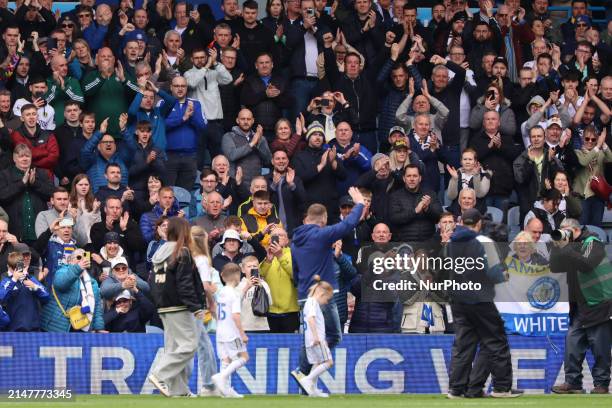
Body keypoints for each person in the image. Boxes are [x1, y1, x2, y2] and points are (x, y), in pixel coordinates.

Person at [291, 187, 365, 383]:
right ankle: (303, 370)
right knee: (334, 336)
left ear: (306, 219)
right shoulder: (321, 235)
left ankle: (305, 380)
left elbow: (296, 272)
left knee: (309, 338)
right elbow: (348, 224)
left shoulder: (295, 241)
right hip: (322, 296)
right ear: (323, 220)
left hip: (303, 295)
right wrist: (360, 204)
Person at [447, 209, 521, 398]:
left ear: (462, 222)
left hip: (458, 300)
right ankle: (502, 388)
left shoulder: (450, 243)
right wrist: (505, 274)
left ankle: (457, 389)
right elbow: (495, 273)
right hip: (480, 299)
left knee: (464, 345)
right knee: (496, 341)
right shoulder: (484, 242)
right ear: (479, 223)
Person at [550, 218, 611, 395]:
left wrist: (567, 247)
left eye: (565, 230)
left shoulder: (593, 242)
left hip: (600, 304)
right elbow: (554, 267)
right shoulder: (569, 247)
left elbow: (586, 264)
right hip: (580, 306)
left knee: (600, 347)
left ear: (575, 230)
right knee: (572, 344)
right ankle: (573, 382)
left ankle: (601, 384)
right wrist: (557, 246)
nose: (563, 233)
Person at [148, 217, 205, 398]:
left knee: (174, 348)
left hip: (164, 306)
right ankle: (160, 374)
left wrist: (159, 303)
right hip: (179, 305)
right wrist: (195, 306)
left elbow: (153, 283)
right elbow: (184, 284)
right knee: (190, 345)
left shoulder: (160, 252)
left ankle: (179, 390)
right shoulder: (182, 252)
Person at [40, 248, 105, 333]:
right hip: (56, 327)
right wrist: (78, 268)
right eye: (78, 258)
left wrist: (99, 328)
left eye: (84, 257)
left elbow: (96, 309)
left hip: (81, 328)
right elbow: (61, 284)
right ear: (70, 261)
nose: (82, 260)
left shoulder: (92, 282)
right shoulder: (62, 270)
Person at [0, 144, 54, 243]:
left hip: (38, 232)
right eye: (21, 156)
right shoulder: (4, 175)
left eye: (27, 156)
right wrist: (21, 184)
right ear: (14, 158)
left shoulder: (41, 173)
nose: (25, 159)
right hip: (15, 233)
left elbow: (52, 194)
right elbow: (2, 196)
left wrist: (35, 183)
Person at [189, 225, 220, 396]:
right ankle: (209, 385)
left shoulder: (185, 256)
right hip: (196, 306)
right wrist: (212, 303)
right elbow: (206, 285)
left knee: (190, 345)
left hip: (185, 305)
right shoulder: (201, 258)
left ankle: (207, 384)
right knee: (203, 345)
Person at [211, 263, 249, 398]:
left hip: (220, 331)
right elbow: (236, 315)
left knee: (225, 360)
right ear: (237, 276)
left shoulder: (221, 293)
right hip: (232, 333)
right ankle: (222, 377)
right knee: (244, 357)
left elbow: (214, 310)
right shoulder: (234, 294)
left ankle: (225, 390)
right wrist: (242, 333)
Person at [294, 275, 335, 397]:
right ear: (322, 294)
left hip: (310, 340)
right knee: (328, 362)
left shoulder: (309, 302)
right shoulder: (312, 302)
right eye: (327, 299)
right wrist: (317, 337)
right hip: (315, 339)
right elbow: (311, 319)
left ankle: (313, 389)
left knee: (317, 363)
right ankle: (307, 380)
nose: (326, 302)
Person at [387, 165, 443, 242]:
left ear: (420, 178)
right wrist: (415, 211)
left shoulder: (430, 194)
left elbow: (439, 217)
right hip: (404, 243)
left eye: (415, 176)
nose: (412, 179)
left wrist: (427, 209)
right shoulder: (396, 196)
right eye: (409, 176)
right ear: (404, 178)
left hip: (428, 243)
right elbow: (394, 218)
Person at [260, 226, 298, 333]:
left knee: (289, 345)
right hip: (269, 310)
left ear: (287, 240)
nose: (278, 238)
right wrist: (267, 261)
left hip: (290, 310)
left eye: (281, 235)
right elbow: (259, 277)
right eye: (274, 236)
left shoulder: (294, 254)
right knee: (271, 347)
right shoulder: (264, 254)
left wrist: (280, 256)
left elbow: (296, 276)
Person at [0, 251, 49, 332]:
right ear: (9, 267)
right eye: (14, 268)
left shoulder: (30, 279)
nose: (18, 270)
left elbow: (46, 297)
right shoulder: (6, 281)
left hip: (33, 328)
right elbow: (1, 297)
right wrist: (13, 280)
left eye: (19, 266)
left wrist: (35, 287)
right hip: (13, 329)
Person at [221, 108, 272, 186]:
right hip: (235, 183)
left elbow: (268, 160)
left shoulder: (259, 138)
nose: (245, 122)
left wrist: (259, 142)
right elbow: (232, 155)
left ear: (253, 121)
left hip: (256, 184)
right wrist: (252, 143)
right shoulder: (229, 136)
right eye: (243, 119)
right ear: (237, 120)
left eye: (248, 119)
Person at [237, 255, 273, 332]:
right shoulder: (239, 285)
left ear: (258, 269)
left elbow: (270, 302)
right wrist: (246, 287)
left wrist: (261, 288)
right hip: (245, 326)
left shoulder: (263, 284)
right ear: (243, 269)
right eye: (249, 266)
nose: (252, 268)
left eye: (255, 266)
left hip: (262, 326)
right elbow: (235, 303)